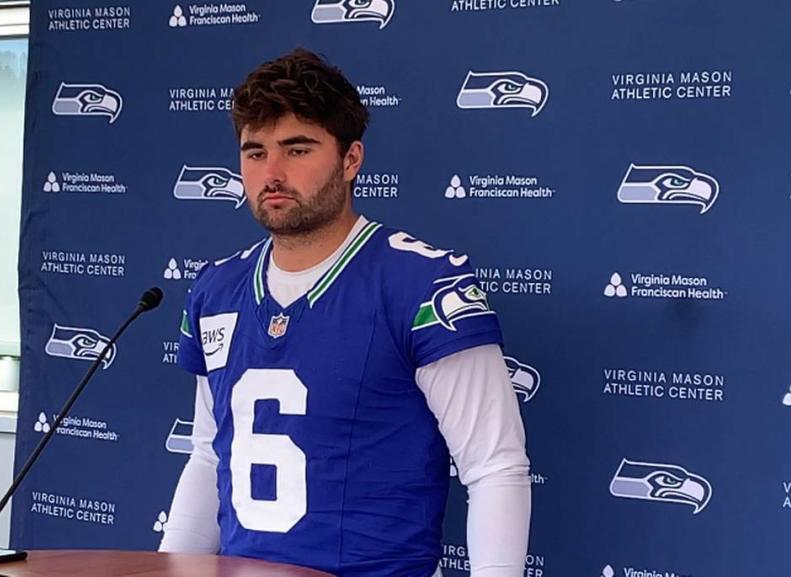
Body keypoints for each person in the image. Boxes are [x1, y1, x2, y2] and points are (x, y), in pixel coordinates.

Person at [160, 48, 531, 577]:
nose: (273, 172)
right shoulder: (216, 288)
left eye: (298, 149)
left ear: (351, 159)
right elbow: (208, 456)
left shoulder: (421, 285)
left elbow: (495, 467)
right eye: (255, 152)